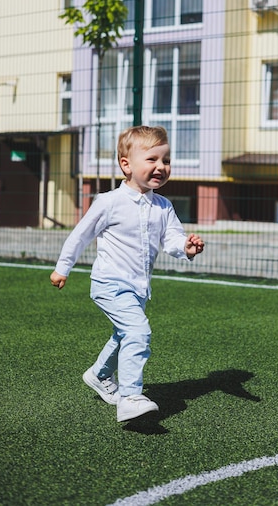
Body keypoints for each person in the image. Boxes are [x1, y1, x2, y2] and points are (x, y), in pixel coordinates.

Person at [50, 125, 204, 422]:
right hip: (109, 284)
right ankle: (130, 396)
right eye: (152, 160)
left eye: (166, 160)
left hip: (138, 287)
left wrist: (186, 247)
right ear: (126, 165)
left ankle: (99, 374)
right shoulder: (109, 203)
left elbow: (171, 239)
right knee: (138, 332)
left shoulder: (163, 206)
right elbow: (80, 236)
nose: (161, 166)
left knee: (124, 334)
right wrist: (62, 268)